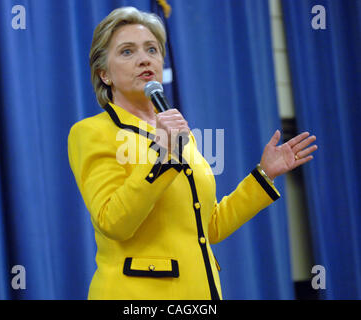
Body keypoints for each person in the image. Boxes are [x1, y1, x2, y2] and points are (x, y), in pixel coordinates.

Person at [68, 6, 317, 300]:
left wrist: (263, 176)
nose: (144, 59)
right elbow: (114, 223)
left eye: (152, 49)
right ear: (104, 74)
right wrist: (163, 153)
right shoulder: (92, 132)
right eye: (127, 52)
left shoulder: (179, 133)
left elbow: (209, 226)